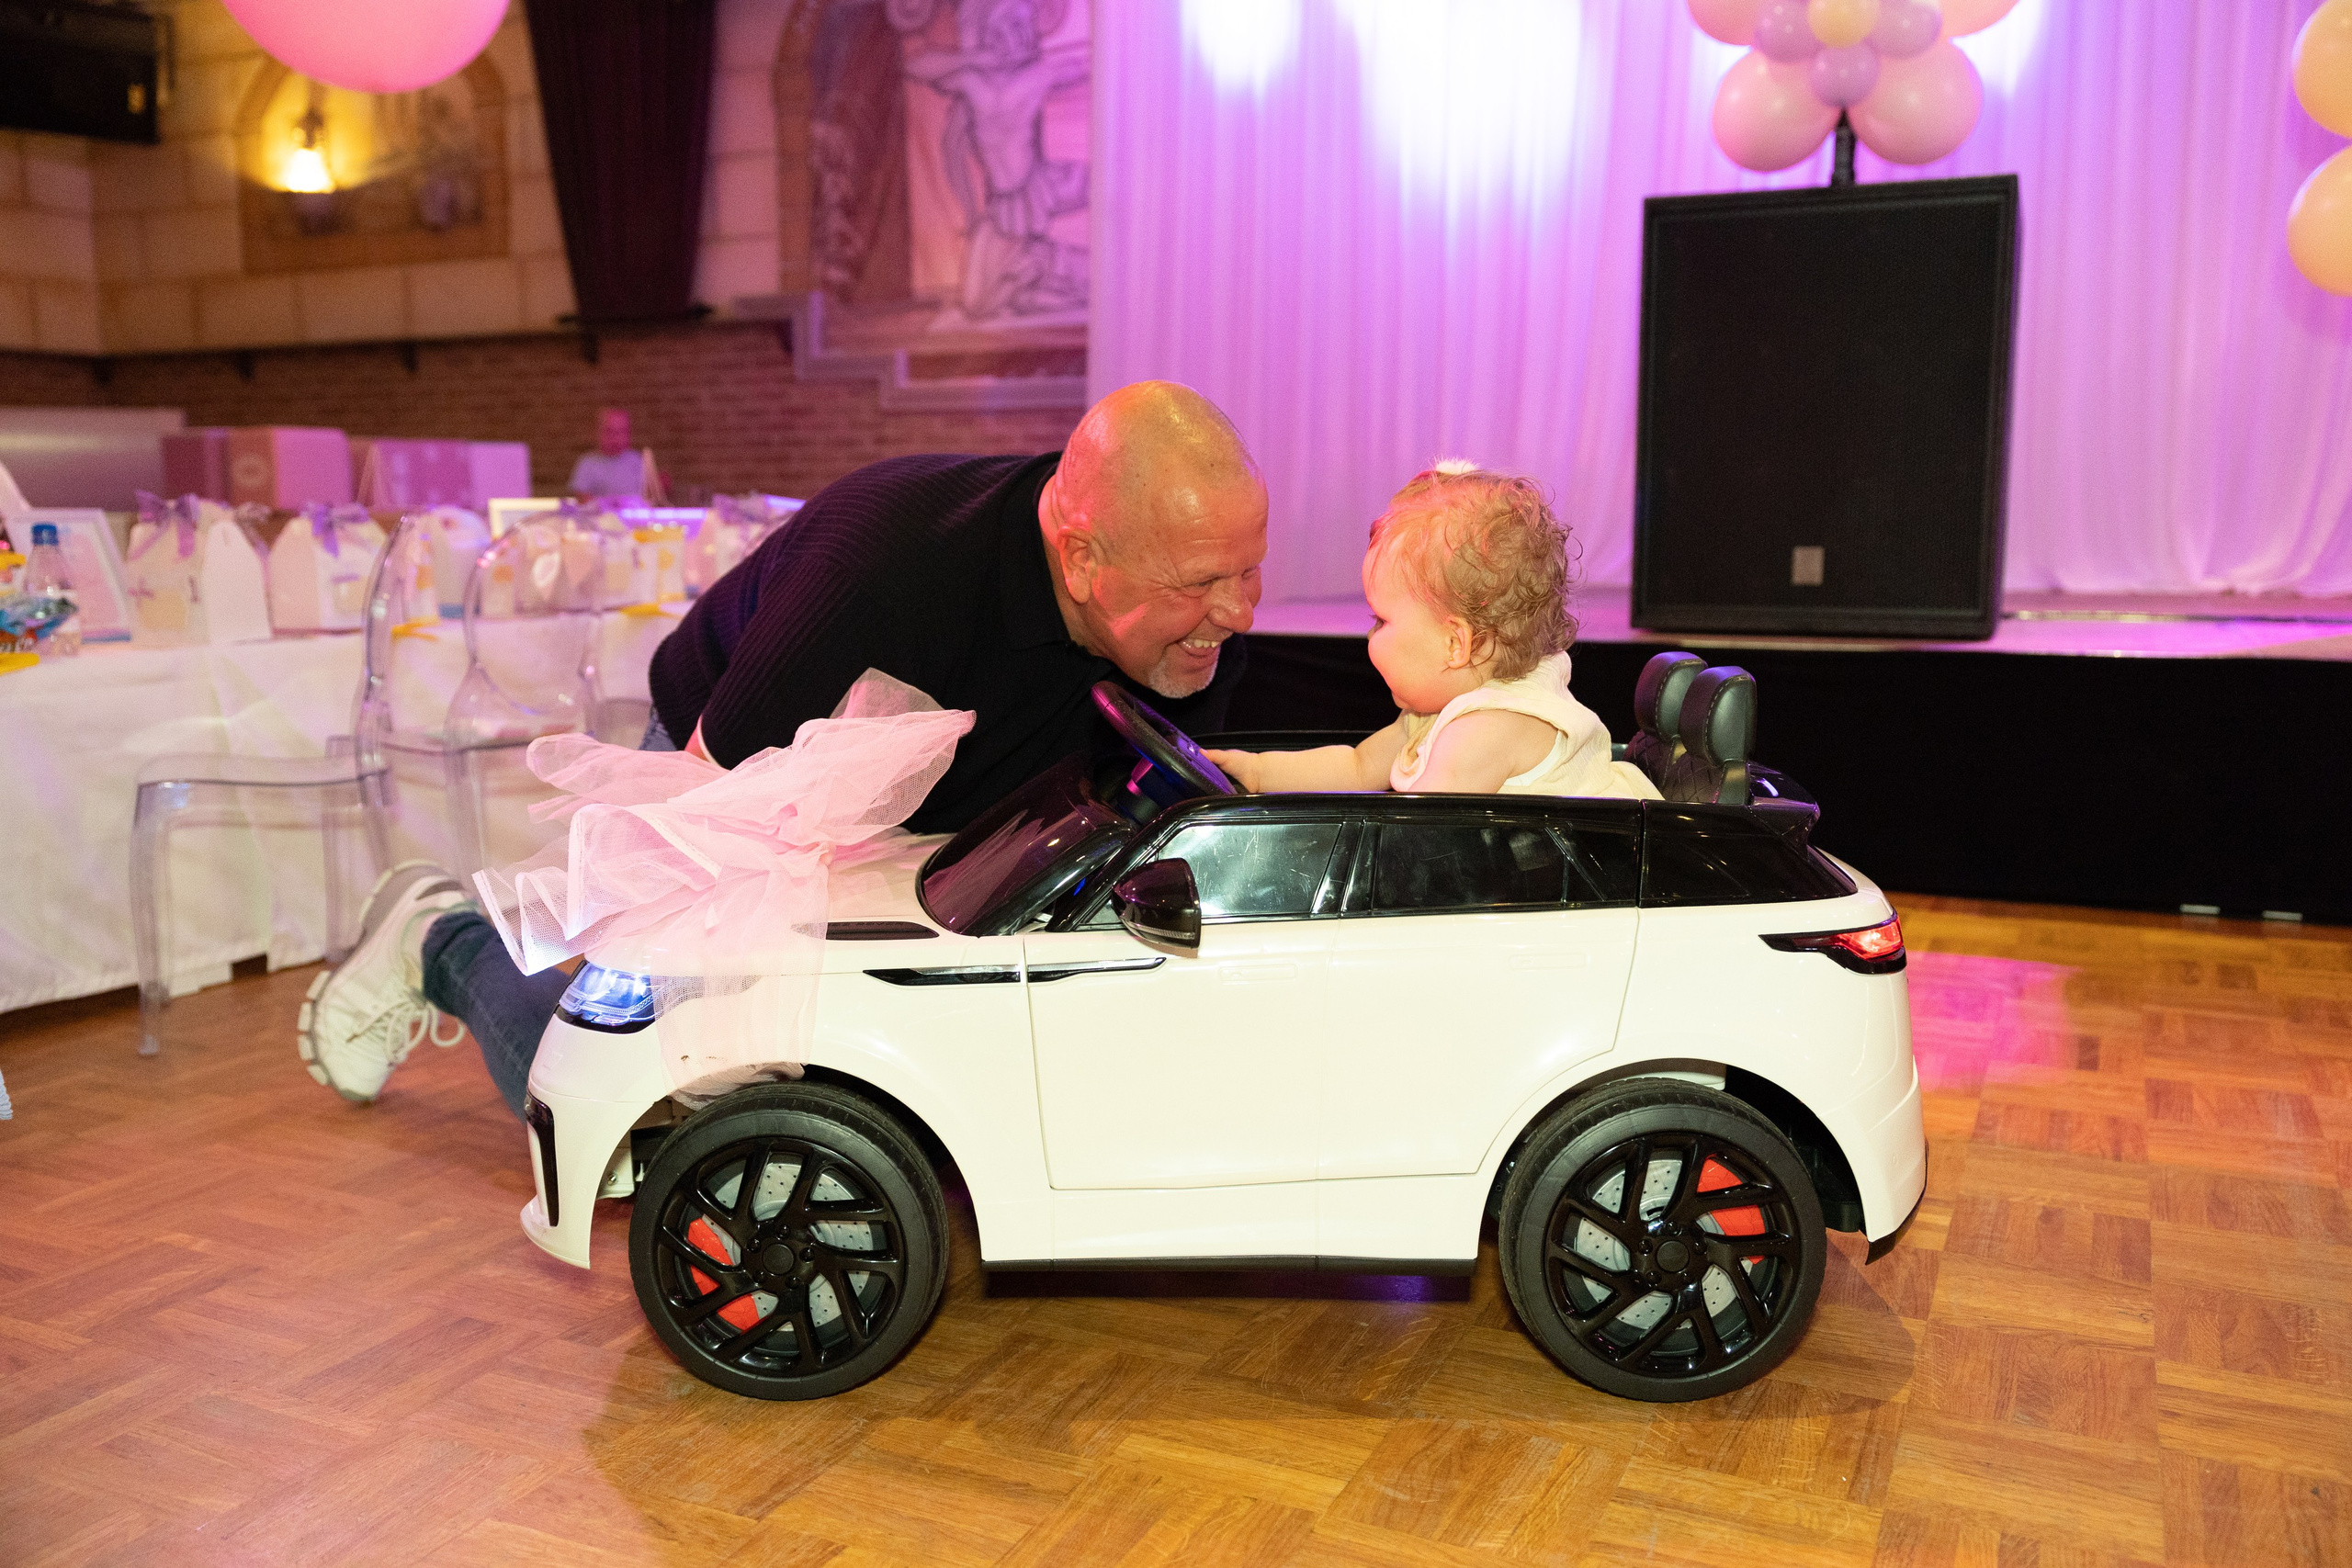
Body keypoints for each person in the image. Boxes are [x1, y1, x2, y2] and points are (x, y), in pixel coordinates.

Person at [295, 380, 1268, 1112]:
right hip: (734, 787)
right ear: (1084, 557)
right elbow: (714, 791)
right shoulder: (891, 573)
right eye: (1201, 583)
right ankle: (444, 941)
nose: (1238, 613)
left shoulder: (1192, 629)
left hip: (939, 835)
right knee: (641, 1110)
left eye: (1249, 570)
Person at [1205, 463, 1657, 800]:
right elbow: (1358, 766)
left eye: (1381, 621)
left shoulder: (1485, 729)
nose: (1370, 637)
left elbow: (1423, 844)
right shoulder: (1439, 709)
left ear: (1454, 644)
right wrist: (1258, 773)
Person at [567, 408, 646, 500]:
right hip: (600, 509)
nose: (616, 438)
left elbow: (649, 495)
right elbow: (581, 496)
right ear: (596, 432)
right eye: (610, 431)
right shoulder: (588, 462)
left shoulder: (637, 460)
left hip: (633, 509)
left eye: (622, 432)